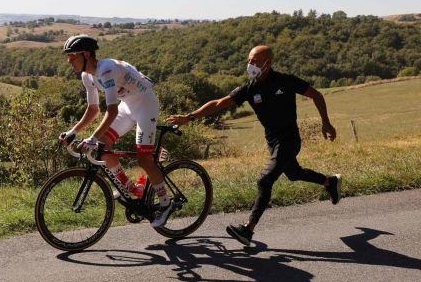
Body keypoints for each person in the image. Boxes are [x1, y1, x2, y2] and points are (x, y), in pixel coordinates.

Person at [166, 45, 342, 246]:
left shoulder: (285, 81)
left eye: (255, 61)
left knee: (264, 181)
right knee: (293, 173)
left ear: (268, 63)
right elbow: (218, 104)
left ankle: (248, 230)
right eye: (249, 60)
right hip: (273, 142)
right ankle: (330, 182)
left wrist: (326, 122)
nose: (250, 64)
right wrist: (189, 118)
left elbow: (316, 94)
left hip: (290, 141)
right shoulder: (249, 89)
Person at [59, 34, 174, 227]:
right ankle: (129, 187)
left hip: (145, 104)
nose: (69, 61)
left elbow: (111, 111)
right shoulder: (87, 76)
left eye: (72, 57)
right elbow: (93, 109)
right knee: (105, 141)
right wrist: (74, 131)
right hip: (128, 105)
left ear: (86, 54)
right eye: (68, 57)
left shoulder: (106, 70)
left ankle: (165, 204)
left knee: (143, 159)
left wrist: (92, 138)